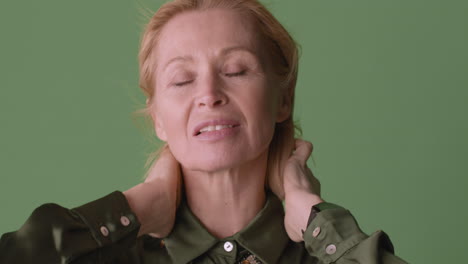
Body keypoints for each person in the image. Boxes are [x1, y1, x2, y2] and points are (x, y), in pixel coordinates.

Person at [0, 0, 408, 263]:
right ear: (158, 116)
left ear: (282, 100)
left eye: (236, 70)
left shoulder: (326, 253)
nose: (209, 95)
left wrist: (314, 218)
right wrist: (138, 208)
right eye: (182, 80)